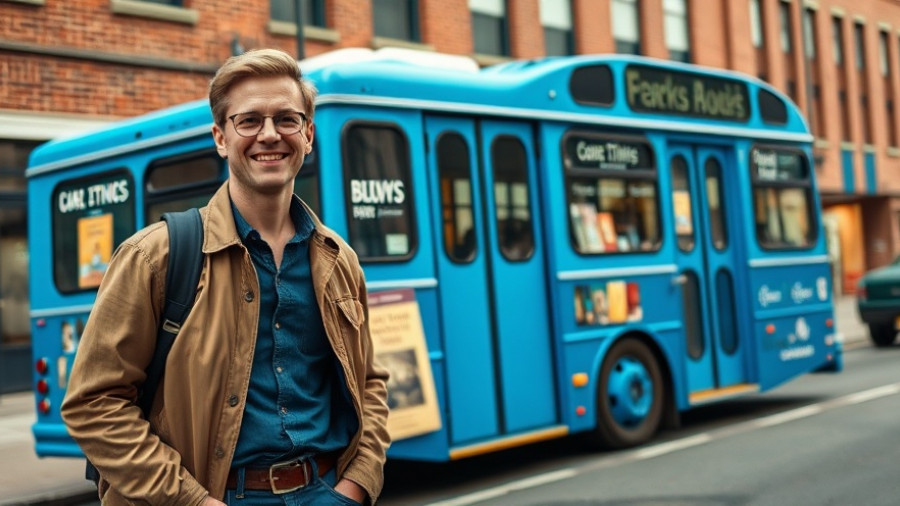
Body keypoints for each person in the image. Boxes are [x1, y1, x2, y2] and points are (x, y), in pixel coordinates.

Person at [61, 48, 391, 505]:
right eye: (249, 121)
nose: (270, 134)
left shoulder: (339, 260)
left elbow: (369, 383)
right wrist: (191, 501)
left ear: (309, 134)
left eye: (287, 119)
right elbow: (93, 405)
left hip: (324, 492)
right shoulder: (154, 256)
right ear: (221, 137)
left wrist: (356, 486)